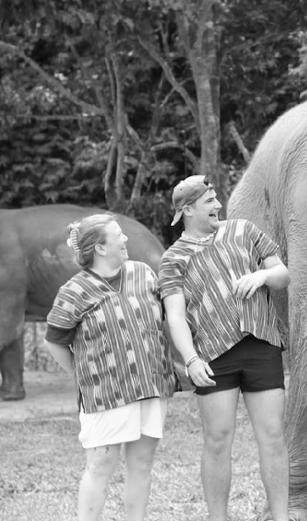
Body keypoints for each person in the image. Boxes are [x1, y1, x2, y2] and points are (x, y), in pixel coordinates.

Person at [159, 175, 290, 521]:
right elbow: (175, 316)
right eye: (209, 201)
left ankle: (281, 517)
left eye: (216, 198)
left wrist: (262, 276)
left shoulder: (244, 231)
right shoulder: (173, 259)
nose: (218, 205)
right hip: (212, 355)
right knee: (217, 439)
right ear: (188, 210)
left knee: (273, 435)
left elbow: (283, 275)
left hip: (261, 345)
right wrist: (190, 359)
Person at [44, 214, 175, 521]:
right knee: (100, 465)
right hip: (105, 395)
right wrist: (82, 374)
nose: (125, 239)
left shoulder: (143, 273)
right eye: (119, 235)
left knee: (142, 464)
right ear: (100, 248)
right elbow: (54, 341)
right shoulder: (74, 291)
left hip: (151, 385)